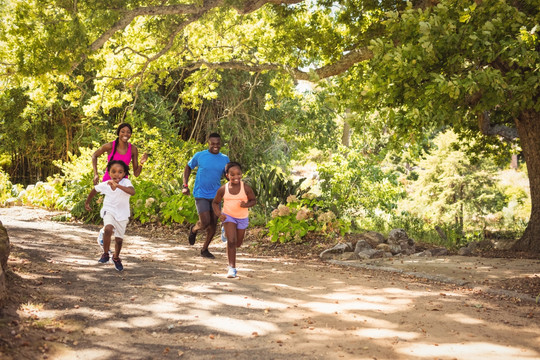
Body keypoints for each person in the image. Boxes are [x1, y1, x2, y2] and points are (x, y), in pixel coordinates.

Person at [182, 133, 230, 259]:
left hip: (216, 195)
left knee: (213, 224)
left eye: (218, 144)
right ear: (208, 143)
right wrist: (185, 185)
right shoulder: (200, 155)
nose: (215, 146)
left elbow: (228, 175)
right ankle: (194, 229)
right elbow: (188, 167)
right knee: (205, 222)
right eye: (213, 143)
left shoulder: (225, 159)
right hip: (201, 193)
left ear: (220, 143)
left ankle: (205, 249)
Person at [85, 160, 135, 272]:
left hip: (122, 214)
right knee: (108, 229)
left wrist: (118, 186)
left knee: (119, 240)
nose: (117, 174)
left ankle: (116, 257)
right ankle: (105, 254)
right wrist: (87, 203)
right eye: (114, 171)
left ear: (124, 173)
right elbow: (94, 190)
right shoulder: (106, 184)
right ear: (109, 173)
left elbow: (132, 192)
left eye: (120, 172)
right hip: (109, 210)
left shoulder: (126, 182)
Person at [212, 162, 256, 278]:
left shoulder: (246, 188)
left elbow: (253, 200)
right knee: (231, 241)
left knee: (238, 243)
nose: (236, 177)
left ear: (241, 174)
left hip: (242, 218)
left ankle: (225, 232)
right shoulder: (223, 189)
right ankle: (232, 268)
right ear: (227, 175)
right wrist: (218, 214)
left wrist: (246, 205)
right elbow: (215, 203)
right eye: (232, 174)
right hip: (228, 217)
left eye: (238, 174)